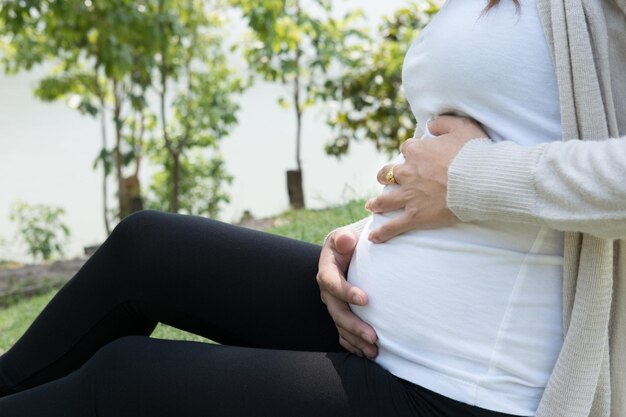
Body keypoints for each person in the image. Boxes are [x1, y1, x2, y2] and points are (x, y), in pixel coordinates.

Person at [0, 0, 624, 416]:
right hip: (377, 327)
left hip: (466, 387)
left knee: (124, 384)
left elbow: (471, 173)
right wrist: (361, 236)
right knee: (146, 250)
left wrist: (475, 179)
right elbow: (463, 155)